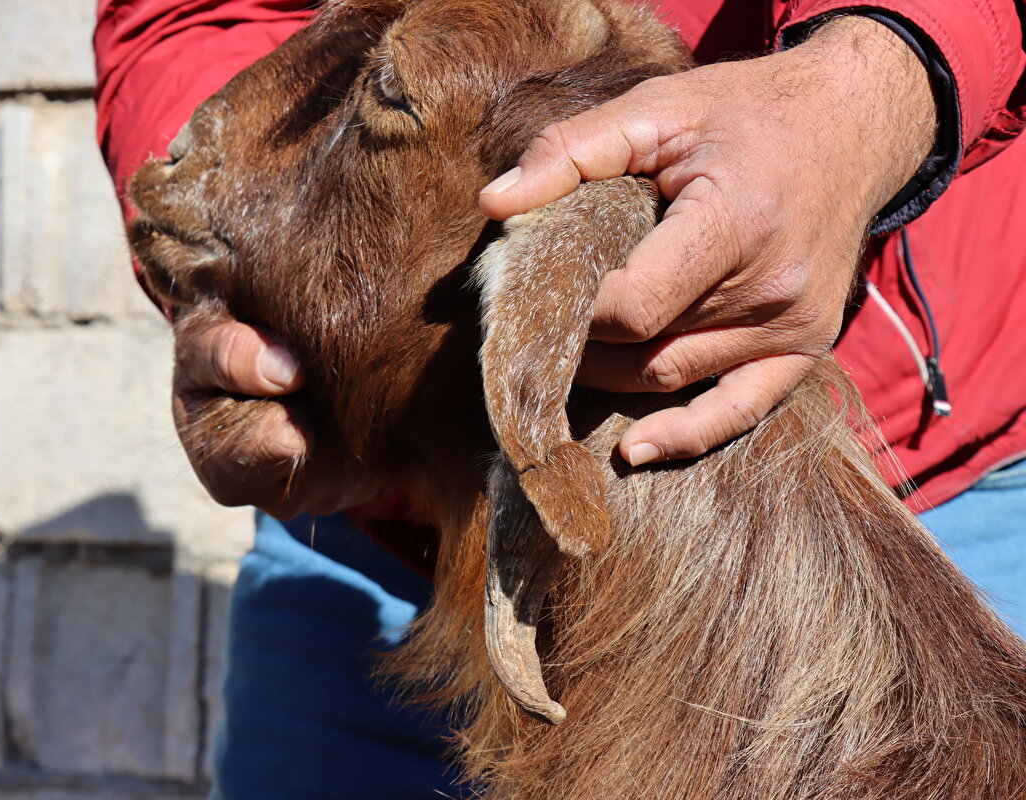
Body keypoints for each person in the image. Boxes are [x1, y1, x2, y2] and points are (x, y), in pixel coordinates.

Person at [94, 0, 1026, 796]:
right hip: (366, 528)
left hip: (937, 488)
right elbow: (197, 16)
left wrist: (870, 85)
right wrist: (237, 289)